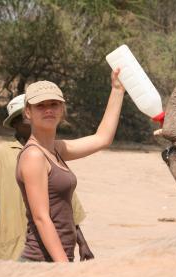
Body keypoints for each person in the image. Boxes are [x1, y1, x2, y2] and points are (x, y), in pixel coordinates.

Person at [16, 70, 125, 262]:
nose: (48, 109)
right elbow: (41, 218)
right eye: (40, 105)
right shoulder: (34, 155)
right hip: (40, 263)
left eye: (54, 104)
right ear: (28, 112)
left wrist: (117, 90)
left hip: (55, 260)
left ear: (62, 109)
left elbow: (102, 139)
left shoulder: (55, 148)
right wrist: (64, 268)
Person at [0, 94, 94, 261]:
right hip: (11, 252)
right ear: (16, 123)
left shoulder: (52, 153)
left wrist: (82, 242)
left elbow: (65, 205)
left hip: (54, 250)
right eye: (24, 117)